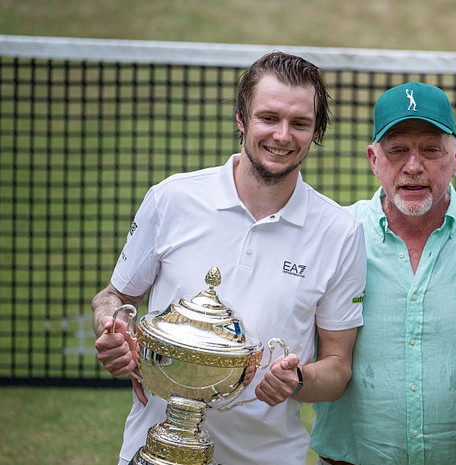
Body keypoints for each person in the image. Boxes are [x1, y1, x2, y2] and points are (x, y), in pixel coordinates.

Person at [91, 51, 367, 465]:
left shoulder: (340, 232)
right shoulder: (172, 198)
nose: (282, 135)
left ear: (316, 131)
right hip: (154, 453)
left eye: (300, 123)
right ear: (242, 117)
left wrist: (297, 380)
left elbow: (338, 369)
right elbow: (114, 297)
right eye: (268, 118)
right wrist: (113, 329)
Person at [310, 81, 456, 465]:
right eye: (397, 150)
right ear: (374, 159)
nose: (414, 166)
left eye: (431, 150)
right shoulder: (335, 234)